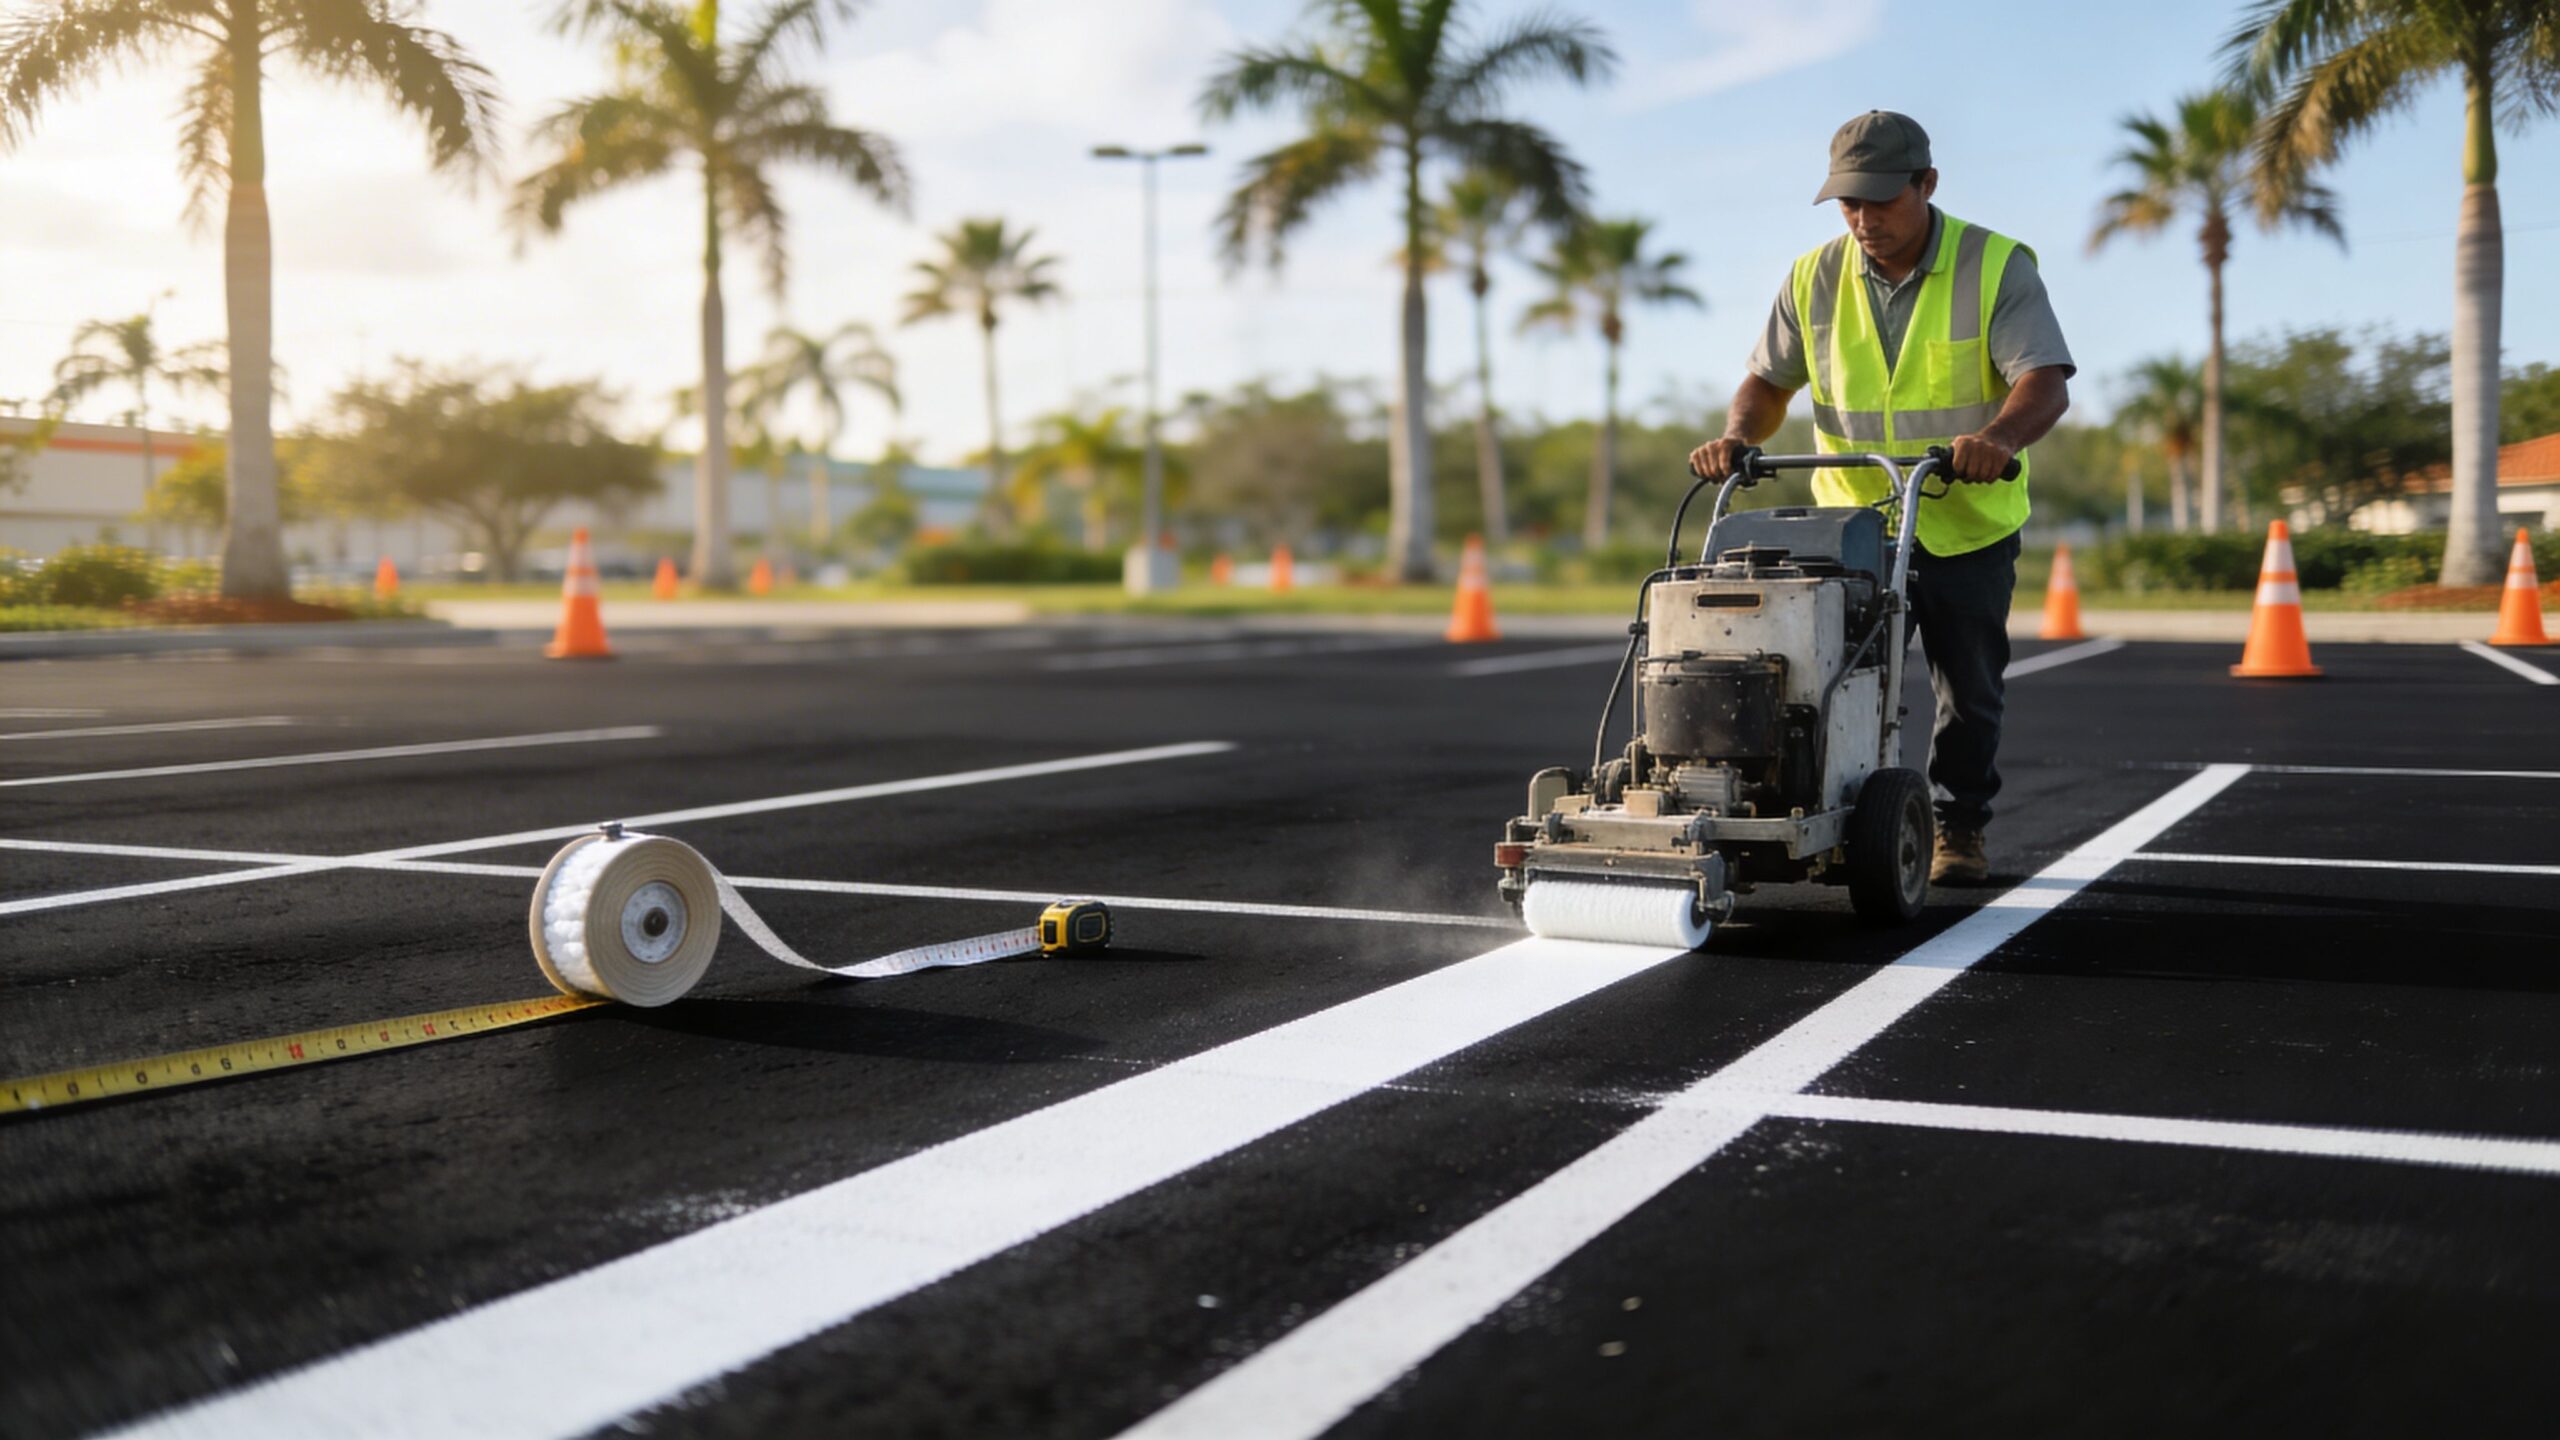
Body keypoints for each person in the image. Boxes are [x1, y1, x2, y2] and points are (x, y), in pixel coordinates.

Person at [1688, 110, 2074, 886]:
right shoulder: (1813, 277)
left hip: (1967, 521)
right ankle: (1839, 818)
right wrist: (1736, 436)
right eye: (1848, 203)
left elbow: (2044, 381)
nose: (1864, 219)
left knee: (1968, 693)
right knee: (1835, 683)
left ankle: (1958, 826)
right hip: (1852, 529)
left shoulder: (1995, 266)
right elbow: (1768, 383)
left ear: (1926, 183)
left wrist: (1997, 440)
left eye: (1880, 200)